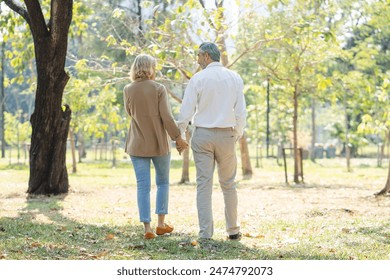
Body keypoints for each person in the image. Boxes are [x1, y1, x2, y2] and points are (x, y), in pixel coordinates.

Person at [178, 42, 247, 240]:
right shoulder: (234, 77)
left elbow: (186, 111)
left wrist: (181, 133)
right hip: (227, 135)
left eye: (199, 55)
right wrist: (237, 133)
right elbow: (241, 112)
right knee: (228, 184)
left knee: (204, 185)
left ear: (207, 56)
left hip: (203, 136)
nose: (197, 59)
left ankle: (206, 234)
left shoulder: (198, 79)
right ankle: (233, 230)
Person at [123, 54, 188, 240]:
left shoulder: (128, 89)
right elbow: (166, 117)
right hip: (159, 143)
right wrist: (177, 138)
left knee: (143, 186)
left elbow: (130, 113)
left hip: (136, 143)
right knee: (162, 183)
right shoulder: (159, 88)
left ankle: (147, 228)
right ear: (151, 68)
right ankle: (161, 224)